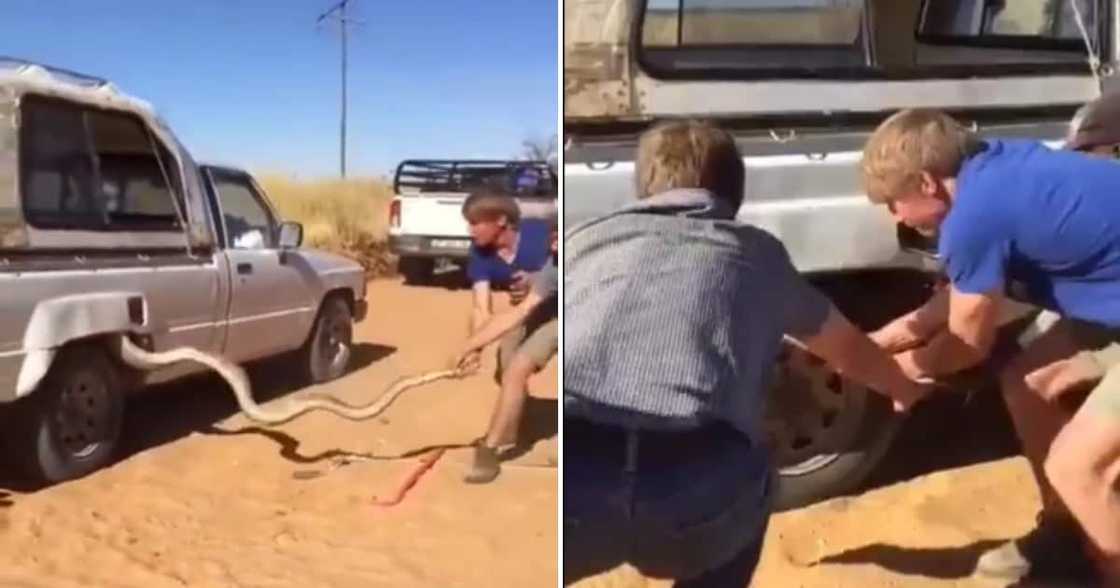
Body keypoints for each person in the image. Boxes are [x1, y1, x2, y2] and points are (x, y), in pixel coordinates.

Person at [563, 120, 929, 587]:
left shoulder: (583, 241)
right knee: (754, 488)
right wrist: (901, 387)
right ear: (735, 190)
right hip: (693, 485)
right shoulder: (757, 253)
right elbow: (846, 348)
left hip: (576, 471)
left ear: (642, 184)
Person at [860, 104, 1120, 584]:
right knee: (1026, 383)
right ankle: (1067, 528)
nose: (892, 215)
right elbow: (949, 308)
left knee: (1076, 467)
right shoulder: (991, 171)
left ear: (925, 183)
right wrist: (869, 347)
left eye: (892, 201)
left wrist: (896, 374)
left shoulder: (974, 218)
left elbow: (965, 343)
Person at [454, 214, 558, 484]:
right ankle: (512, 424)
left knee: (517, 370)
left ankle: (489, 449)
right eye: (553, 237)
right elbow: (517, 312)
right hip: (550, 308)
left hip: (577, 315)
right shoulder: (552, 266)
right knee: (508, 360)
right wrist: (471, 346)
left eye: (561, 237)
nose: (555, 243)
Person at [460, 192, 552, 383]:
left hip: (566, 306)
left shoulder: (541, 234)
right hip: (529, 311)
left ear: (501, 220)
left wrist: (536, 280)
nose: (470, 231)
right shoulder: (479, 252)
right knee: (507, 366)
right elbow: (481, 308)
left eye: (476, 223)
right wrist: (474, 348)